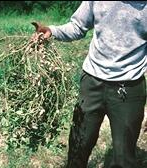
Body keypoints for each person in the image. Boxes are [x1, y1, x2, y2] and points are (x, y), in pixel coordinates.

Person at [32, 1, 147, 168]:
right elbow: (78, 26)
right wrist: (52, 31)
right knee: (79, 146)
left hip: (129, 89)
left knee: (124, 159)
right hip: (92, 83)